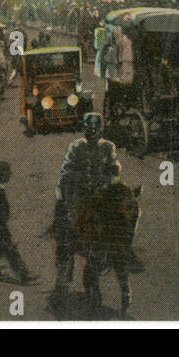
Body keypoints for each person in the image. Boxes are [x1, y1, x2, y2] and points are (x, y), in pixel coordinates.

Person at [53, 113, 120, 292]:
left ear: (100, 130)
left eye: (95, 129)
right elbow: (66, 171)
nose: (92, 132)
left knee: (117, 224)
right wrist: (64, 193)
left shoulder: (108, 147)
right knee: (66, 229)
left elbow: (114, 169)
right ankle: (64, 270)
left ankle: (112, 261)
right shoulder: (75, 147)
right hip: (79, 197)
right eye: (89, 129)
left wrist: (109, 182)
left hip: (100, 196)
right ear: (84, 129)